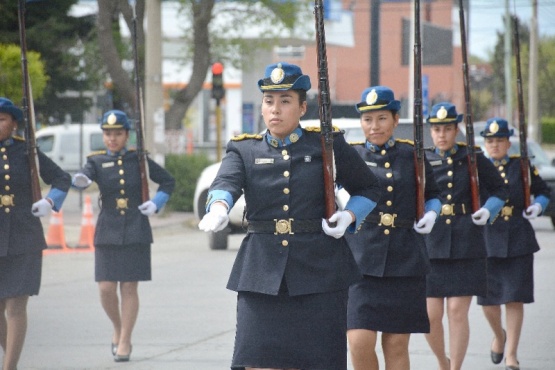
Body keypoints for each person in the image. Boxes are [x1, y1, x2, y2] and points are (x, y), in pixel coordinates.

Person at [198, 62, 381, 370]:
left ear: (302, 107)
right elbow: (225, 183)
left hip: (320, 272)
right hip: (261, 272)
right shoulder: (244, 149)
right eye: (269, 102)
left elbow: (368, 188)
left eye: (285, 102)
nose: (275, 110)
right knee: (258, 360)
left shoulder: (326, 144)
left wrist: (349, 217)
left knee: (314, 362)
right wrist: (218, 207)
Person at [344, 86, 441, 370]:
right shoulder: (351, 156)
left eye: (382, 118)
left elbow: (433, 194)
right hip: (360, 261)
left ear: (396, 120)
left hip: (404, 260)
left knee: (396, 345)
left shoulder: (413, 156)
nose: (374, 126)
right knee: (359, 341)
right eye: (368, 119)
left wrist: (432, 213)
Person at [72, 109, 175, 362]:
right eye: (108, 134)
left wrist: (156, 202)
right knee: (106, 288)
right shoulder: (95, 161)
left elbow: (167, 182)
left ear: (127, 135)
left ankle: (126, 339)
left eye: (118, 133)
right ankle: (117, 327)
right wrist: (80, 181)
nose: (112, 139)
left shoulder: (138, 159)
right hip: (108, 229)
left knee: (129, 287)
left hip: (136, 228)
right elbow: (84, 177)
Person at [423, 102, 509, 370]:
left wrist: (488, 210)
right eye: (437, 130)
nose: (442, 135)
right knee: (430, 315)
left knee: (457, 312)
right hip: (432, 244)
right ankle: (442, 361)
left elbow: (500, 190)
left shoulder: (472, 158)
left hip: (466, 241)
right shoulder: (422, 158)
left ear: (457, 129)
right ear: (430, 131)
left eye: (447, 129)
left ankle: (455, 368)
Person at [0, 97, 71, 370]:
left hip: (23, 234)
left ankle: (9, 366)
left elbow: (61, 179)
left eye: (2, 119)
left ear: (14, 124)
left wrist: (50, 201)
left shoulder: (27, 152)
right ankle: (12, 360)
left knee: (16, 306)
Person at [477, 117, 550, 370]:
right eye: (490, 140)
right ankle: (499, 335)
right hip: (487, 237)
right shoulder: (478, 168)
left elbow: (543, 191)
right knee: (488, 301)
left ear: (509, 143)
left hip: (518, 236)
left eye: (499, 140)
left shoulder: (522, 166)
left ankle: (511, 354)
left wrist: (538, 205)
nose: (494, 145)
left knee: (514, 299)